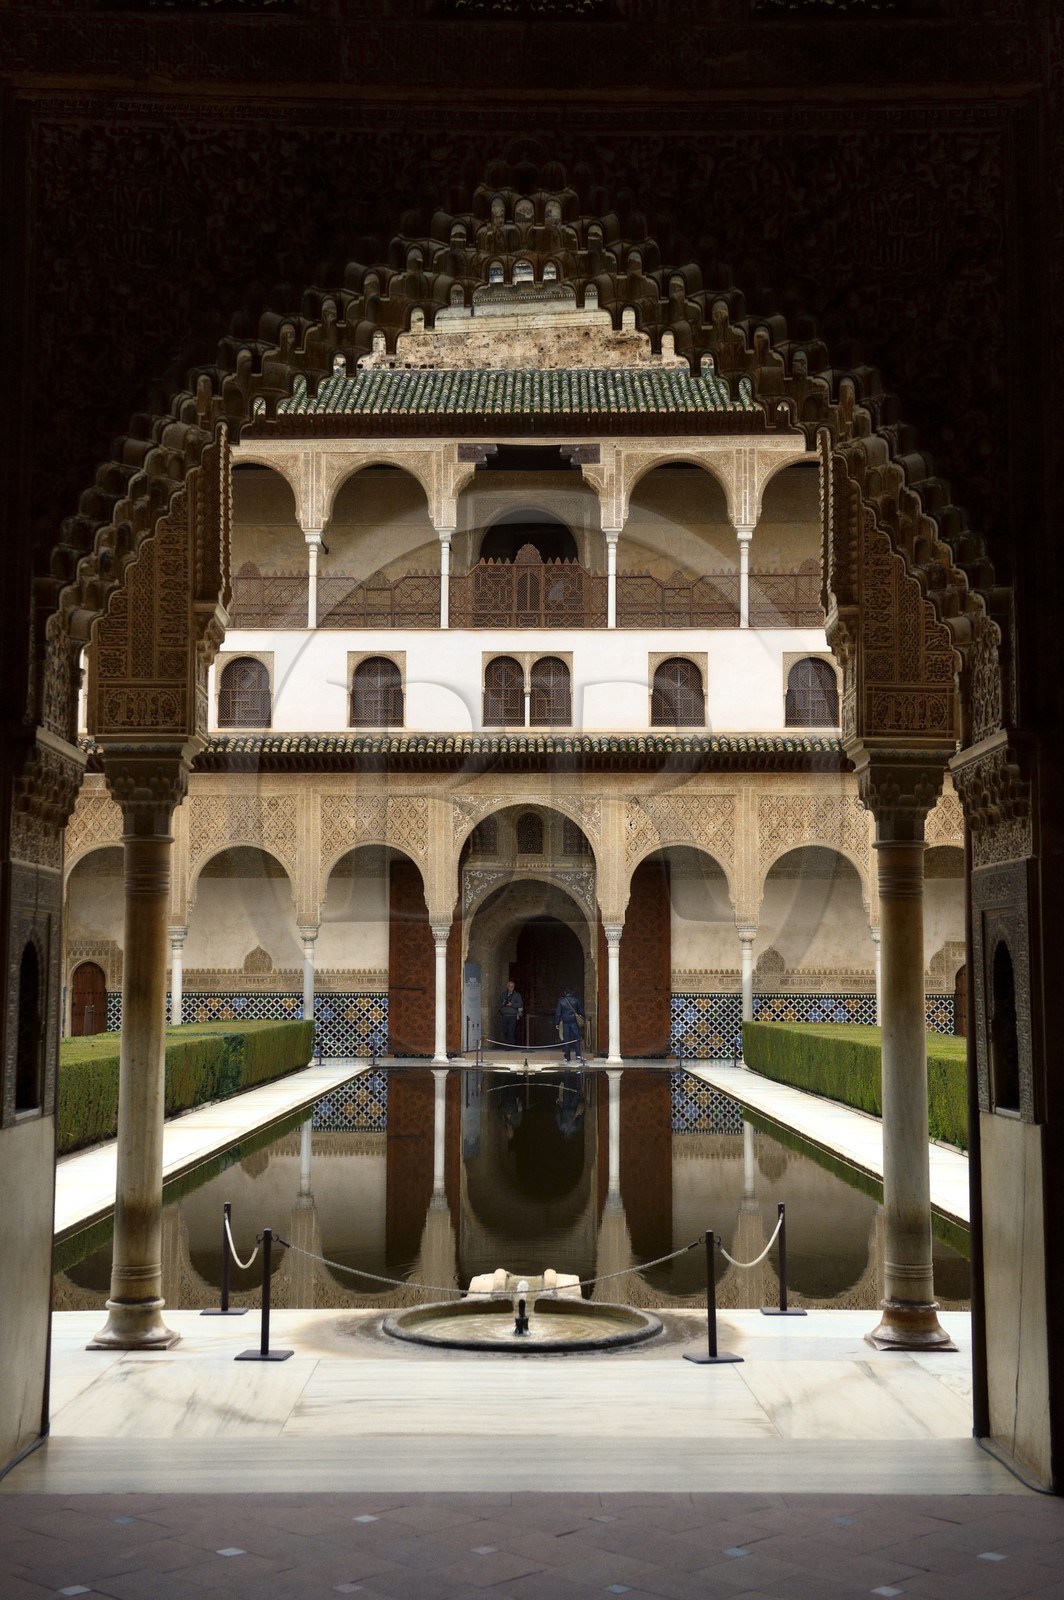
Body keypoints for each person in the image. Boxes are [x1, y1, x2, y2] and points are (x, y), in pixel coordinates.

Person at [554, 986, 585, 1064]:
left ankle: (567, 1057)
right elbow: (580, 1011)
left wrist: (557, 1023)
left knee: (566, 1039)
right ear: (572, 993)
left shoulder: (561, 1001)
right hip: (574, 1021)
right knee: (577, 1038)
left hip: (566, 1022)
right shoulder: (576, 1001)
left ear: (565, 993)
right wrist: (583, 1018)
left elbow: (558, 1013)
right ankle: (578, 1055)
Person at [498, 979, 523, 1047]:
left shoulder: (517, 995)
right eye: (509, 986)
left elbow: (520, 1004)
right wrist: (503, 1004)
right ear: (507, 986)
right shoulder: (503, 994)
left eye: (512, 986)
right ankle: (507, 1042)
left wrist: (512, 1004)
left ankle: (510, 1045)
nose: (510, 987)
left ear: (514, 987)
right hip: (505, 1015)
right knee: (504, 1030)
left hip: (512, 1015)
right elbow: (499, 1003)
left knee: (511, 1031)